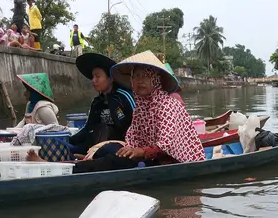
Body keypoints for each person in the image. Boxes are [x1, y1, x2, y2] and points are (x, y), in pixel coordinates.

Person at [29, 51, 204, 172]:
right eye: (136, 76)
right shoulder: (141, 107)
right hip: (151, 158)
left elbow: (166, 144)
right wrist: (131, 150)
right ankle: (62, 167)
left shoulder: (168, 104)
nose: (139, 81)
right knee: (115, 157)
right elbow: (132, 137)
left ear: (156, 80)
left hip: (175, 161)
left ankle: (59, 168)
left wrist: (140, 152)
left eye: (145, 76)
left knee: (113, 158)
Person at [69, 53, 136, 155]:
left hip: (123, 146)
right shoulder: (97, 102)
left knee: (105, 151)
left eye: (98, 76)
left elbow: (137, 125)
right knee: (69, 149)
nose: (93, 80)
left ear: (111, 78)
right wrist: (68, 139)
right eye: (92, 77)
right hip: (98, 144)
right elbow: (88, 128)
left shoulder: (124, 97)